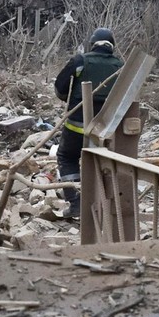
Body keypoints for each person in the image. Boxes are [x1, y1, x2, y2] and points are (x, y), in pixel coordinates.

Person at [51, 27, 123, 219]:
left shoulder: (80, 61)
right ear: (111, 46)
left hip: (76, 125)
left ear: (92, 44)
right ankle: (105, 205)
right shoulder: (120, 66)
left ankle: (76, 204)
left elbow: (60, 89)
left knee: (67, 158)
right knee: (103, 163)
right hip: (107, 130)